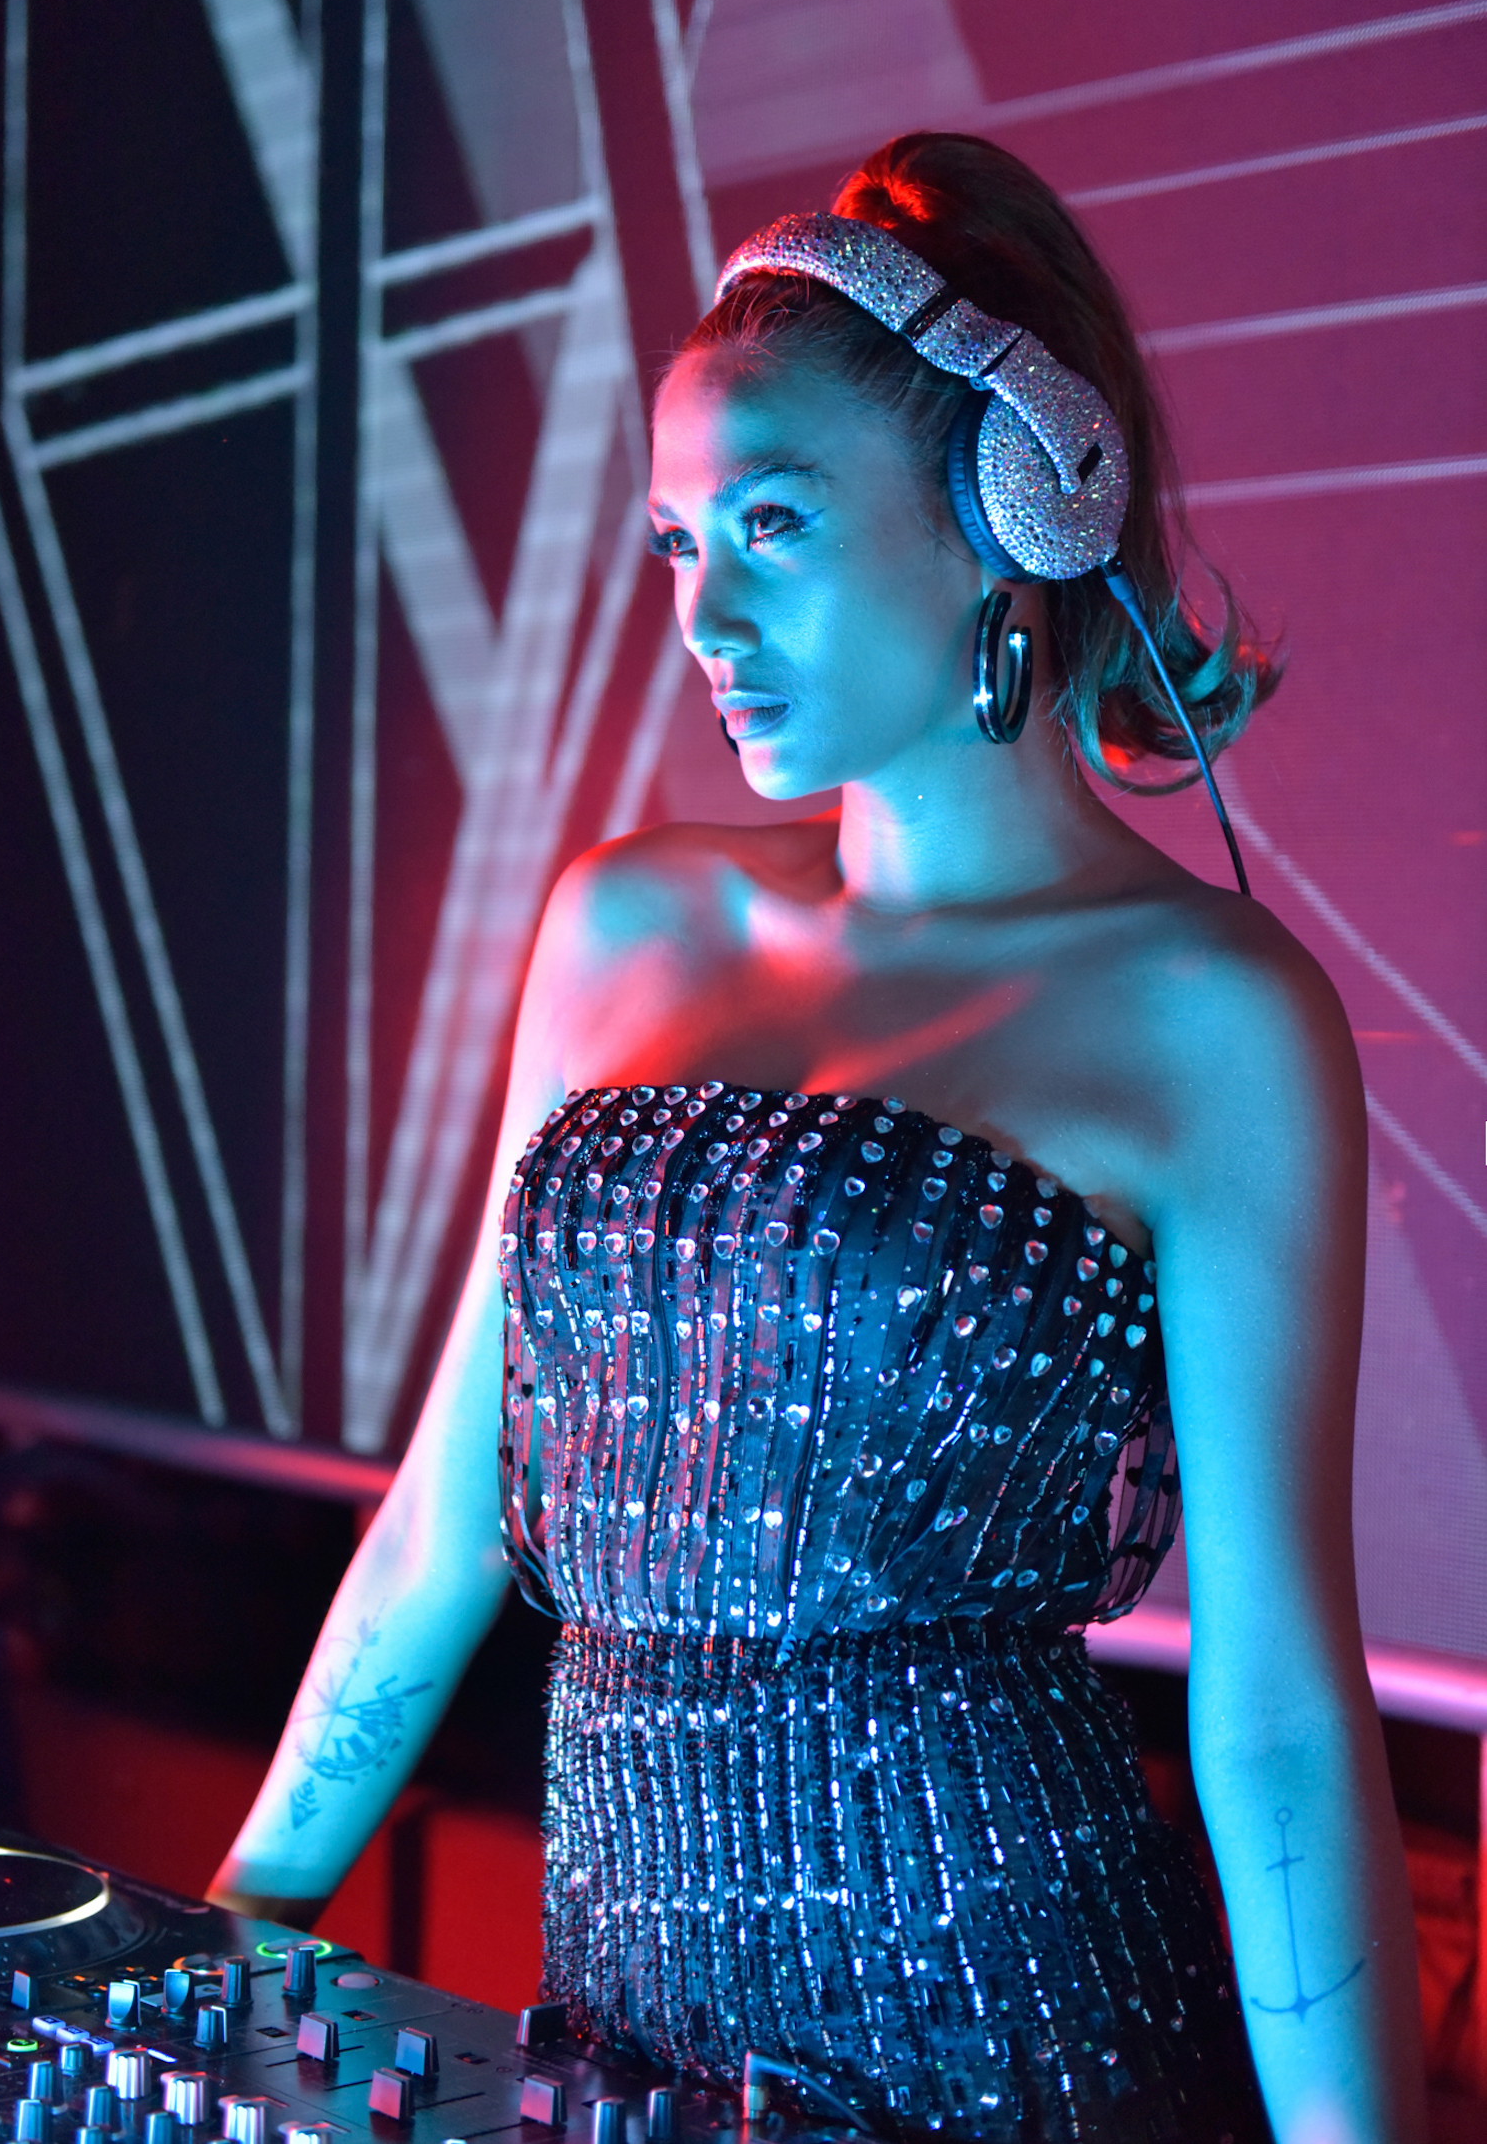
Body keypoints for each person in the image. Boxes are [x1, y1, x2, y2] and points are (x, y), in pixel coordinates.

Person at [210, 133, 1426, 2143]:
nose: (708, 612)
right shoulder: (623, 925)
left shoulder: (1215, 1011)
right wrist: (222, 1936)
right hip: (624, 2048)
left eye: (772, 522)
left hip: (1011, 2057)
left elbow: (1281, 1707)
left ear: (1015, 517)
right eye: (680, 543)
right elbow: (443, 1524)